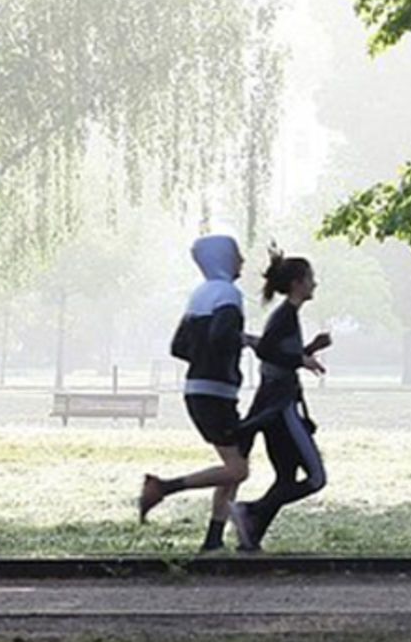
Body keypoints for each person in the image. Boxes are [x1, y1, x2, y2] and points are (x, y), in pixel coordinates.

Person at [138, 233, 253, 552]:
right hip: (216, 392)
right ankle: (163, 487)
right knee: (237, 469)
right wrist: (232, 352)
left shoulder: (200, 295)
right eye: (237, 254)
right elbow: (222, 337)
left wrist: (218, 352)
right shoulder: (229, 294)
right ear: (224, 259)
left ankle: (213, 540)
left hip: (200, 389)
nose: (242, 260)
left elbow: (179, 347)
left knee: (232, 469)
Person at [231, 250, 331, 551]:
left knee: (286, 476)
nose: (315, 284)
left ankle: (251, 536)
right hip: (281, 407)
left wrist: (309, 350)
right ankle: (249, 511)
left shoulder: (287, 316)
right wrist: (303, 358)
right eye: (311, 278)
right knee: (315, 478)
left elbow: (277, 353)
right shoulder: (285, 315)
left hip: (276, 406)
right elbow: (267, 351)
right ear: (298, 283)